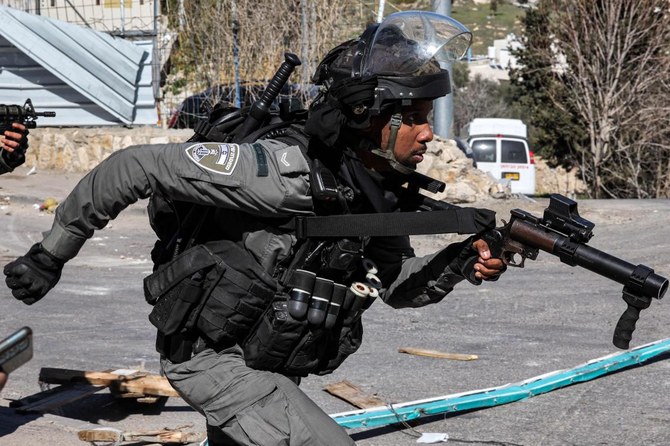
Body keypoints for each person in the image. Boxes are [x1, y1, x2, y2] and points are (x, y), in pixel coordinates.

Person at [4, 11, 505, 445]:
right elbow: (134, 166)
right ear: (371, 118)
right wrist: (51, 255)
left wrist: (458, 263)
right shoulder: (278, 173)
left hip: (268, 359)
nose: (429, 133)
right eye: (415, 117)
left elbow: (392, 285)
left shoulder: (375, 189)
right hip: (210, 358)